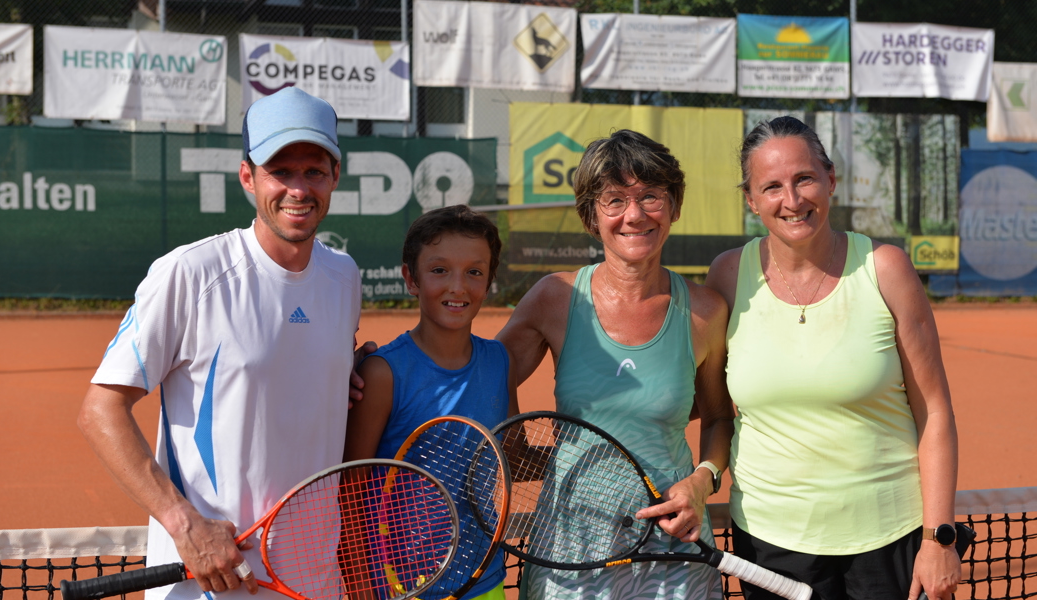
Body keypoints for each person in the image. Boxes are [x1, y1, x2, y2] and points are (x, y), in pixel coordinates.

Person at [77, 87, 361, 600]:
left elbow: (299, 368)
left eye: (314, 171)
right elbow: (101, 410)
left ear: (335, 177)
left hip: (315, 581)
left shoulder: (345, 277)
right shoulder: (189, 273)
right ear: (248, 177)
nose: (299, 189)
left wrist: (348, 369)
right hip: (207, 586)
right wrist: (184, 524)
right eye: (281, 170)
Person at [705, 116, 960, 600]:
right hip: (769, 542)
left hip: (890, 538)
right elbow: (710, 406)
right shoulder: (727, 275)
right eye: (772, 186)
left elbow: (936, 411)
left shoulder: (885, 268)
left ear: (830, 180)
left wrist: (938, 538)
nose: (793, 200)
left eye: (804, 178)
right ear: (751, 200)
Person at [494, 130, 734, 600]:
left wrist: (702, 481)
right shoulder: (555, 298)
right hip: (570, 542)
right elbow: (483, 371)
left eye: (651, 197)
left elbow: (719, 415)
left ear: (675, 206)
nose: (635, 214)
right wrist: (517, 446)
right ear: (590, 215)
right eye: (614, 200)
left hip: (675, 541)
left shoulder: (706, 311)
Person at [343, 204, 519, 600]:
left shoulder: (499, 361)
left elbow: (512, 452)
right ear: (411, 278)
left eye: (474, 272)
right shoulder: (382, 373)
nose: (458, 286)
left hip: (484, 579)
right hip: (398, 587)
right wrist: (360, 589)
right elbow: (349, 492)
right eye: (439, 270)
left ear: (489, 281)